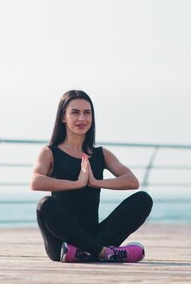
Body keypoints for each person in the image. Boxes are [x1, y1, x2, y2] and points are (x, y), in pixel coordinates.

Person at [30, 90, 153, 263]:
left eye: (87, 113)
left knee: (143, 200)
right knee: (45, 204)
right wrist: (77, 183)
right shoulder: (49, 153)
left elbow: (132, 181)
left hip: (95, 234)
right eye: (75, 112)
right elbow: (36, 182)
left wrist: (96, 182)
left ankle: (91, 251)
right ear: (63, 117)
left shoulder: (101, 154)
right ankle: (104, 252)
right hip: (62, 243)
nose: (82, 118)